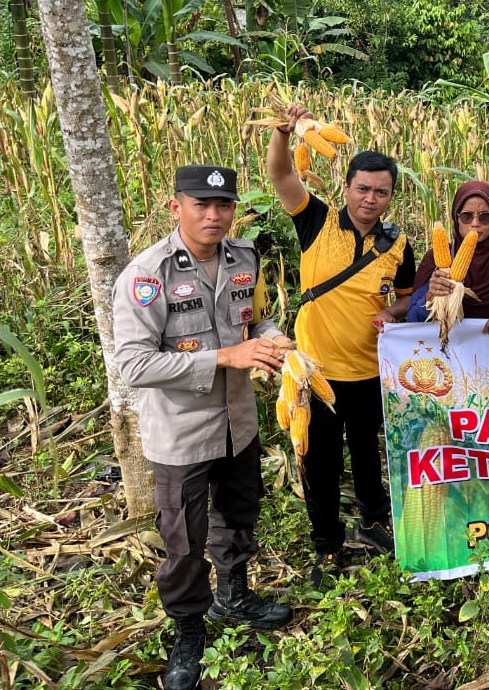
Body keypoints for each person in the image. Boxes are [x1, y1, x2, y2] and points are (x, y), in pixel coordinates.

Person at [113, 165, 293, 690]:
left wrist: (272, 338)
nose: (214, 216)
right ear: (176, 207)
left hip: (238, 421)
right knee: (184, 540)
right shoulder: (148, 275)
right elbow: (134, 366)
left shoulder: (244, 257)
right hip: (181, 432)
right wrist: (225, 357)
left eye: (223, 206)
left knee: (240, 511)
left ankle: (233, 597)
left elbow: (254, 320)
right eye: (201, 205)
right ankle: (189, 630)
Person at [267, 107, 416, 584]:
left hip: (371, 370)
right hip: (317, 374)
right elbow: (281, 173)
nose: (371, 199)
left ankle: (373, 523)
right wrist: (284, 132)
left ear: (392, 196)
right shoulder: (316, 220)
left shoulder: (399, 243)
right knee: (321, 462)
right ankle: (327, 545)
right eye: (363, 189)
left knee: (370, 453)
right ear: (347, 187)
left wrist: (391, 313)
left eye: (381, 192)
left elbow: (408, 298)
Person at [407, 181, 489, 331]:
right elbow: (413, 318)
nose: (475, 223)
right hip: (448, 350)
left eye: (484, 217)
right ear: (456, 218)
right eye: (467, 216)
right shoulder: (437, 260)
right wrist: (430, 297)